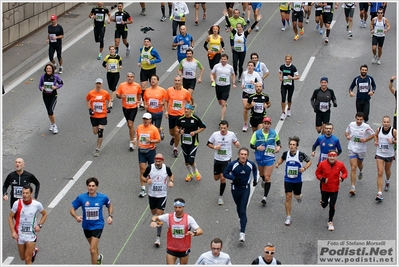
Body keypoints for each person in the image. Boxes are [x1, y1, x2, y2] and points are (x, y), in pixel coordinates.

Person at [70, 177, 113, 265]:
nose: (91, 188)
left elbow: (110, 205)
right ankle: (99, 257)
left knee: (92, 250)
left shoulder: (103, 197)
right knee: (93, 247)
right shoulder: (82, 197)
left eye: (93, 186)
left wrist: (110, 216)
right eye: (89, 186)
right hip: (86, 226)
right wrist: (76, 217)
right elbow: (72, 209)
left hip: (98, 225)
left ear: (96, 187)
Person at [150, 198, 203, 265]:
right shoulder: (169, 216)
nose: (177, 209)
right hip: (171, 248)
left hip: (183, 249)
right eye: (175, 207)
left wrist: (194, 233)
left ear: (183, 207)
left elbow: (200, 230)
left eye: (179, 207)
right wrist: (153, 221)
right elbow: (155, 217)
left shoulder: (189, 218)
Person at [275, 136, 312, 226]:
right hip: (288, 179)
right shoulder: (285, 154)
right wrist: (277, 163)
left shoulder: (300, 155)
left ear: (297, 146)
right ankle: (288, 216)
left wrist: (304, 168)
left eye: (294, 145)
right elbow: (282, 159)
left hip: (298, 180)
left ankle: (299, 197)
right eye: (290, 144)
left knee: (297, 195)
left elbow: (310, 161)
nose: (292, 146)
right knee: (288, 197)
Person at [223, 147, 258, 242]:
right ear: (238, 155)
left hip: (245, 189)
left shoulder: (250, 164)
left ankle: (242, 233)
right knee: (238, 207)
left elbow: (255, 169)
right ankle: (241, 220)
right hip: (235, 189)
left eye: (245, 154)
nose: (243, 156)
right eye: (242, 154)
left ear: (247, 156)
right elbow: (225, 173)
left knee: (243, 210)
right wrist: (233, 178)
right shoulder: (233, 164)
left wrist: (255, 179)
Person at [8, 185, 47, 264]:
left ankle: (31, 253)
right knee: (22, 257)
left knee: (27, 258)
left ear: (31, 194)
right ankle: (34, 252)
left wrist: (40, 225)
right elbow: (10, 217)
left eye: (27, 193)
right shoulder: (17, 203)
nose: (25, 195)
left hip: (31, 234)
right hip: (20, 234)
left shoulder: (36, 204)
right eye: (23, 193)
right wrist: (13, 231)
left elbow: (45, 214)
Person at [142, 153, 174, 247]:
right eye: (156, 161)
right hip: (152, 194)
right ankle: (156, 222)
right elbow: (143, 176)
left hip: (162, 195)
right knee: (154, 213)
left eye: (159, 161)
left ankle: (158, 237)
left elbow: (171, 175)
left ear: (162, 161)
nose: (158, 163)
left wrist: (171, 181)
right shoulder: (150, 168)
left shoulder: (166, 168)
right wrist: (146, 181)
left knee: (159, 215)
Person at [207, 120, 240, 205]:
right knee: (216, 178)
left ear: (227, 128)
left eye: (224, 128)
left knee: (222, 177)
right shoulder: (215, 134)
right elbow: (208, 143)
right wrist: (214, 147)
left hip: (226, 160)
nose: (223, 130)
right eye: (221, 128)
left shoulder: (231, 134)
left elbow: (235, 141)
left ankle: (220, 197)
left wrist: (237, 144)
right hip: (217, 159)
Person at [250, 117, 281, 206]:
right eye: (265, 124)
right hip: (259, 158)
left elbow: (278, 142)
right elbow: (251, 145)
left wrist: (279, 147)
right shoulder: (257, 134)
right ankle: (263, 179)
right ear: (262, 125)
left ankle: (264, 197)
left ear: (270, 125)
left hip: (269, 158)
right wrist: (257, 148)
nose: (266, 125)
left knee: (267, 177)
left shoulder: (274, 133)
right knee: (262, 175)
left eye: (268, 124)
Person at [224, 10, 261, 82]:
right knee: (234, 64)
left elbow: (252, 27)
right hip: (235, 51)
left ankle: (240, 75)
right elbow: (229, 24)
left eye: (240, 27)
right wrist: (226, 16)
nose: (238, 28)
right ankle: (235, 73)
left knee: (240, 65)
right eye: (237, 27)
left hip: (242, 52)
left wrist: (257, 21)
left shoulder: (245, 34)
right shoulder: (234, 32)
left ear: (242, 28)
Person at [315, 151, 348, 231]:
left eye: (334, 156)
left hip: (334, 188)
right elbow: (317, 173)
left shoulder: (340, 164)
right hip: (325, 188)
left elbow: (345, 172)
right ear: (328, 157)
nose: (332, 158)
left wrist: (342, 178)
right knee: (324, 204)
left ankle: (330, 221)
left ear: (336, 157)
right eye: (330, 156)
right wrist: (322, 179)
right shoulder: (322, 164)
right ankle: (323, 201)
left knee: (332, 205)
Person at [345, 112, 375, 196]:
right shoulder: (351, 124)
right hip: (352, 148)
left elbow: (373, 134)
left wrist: (366, 139)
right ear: (355, 118)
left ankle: (361, 170)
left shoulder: (366, 126)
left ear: (363, 119)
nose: (359, 121)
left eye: (360, 120)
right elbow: (346, 132)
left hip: (361, 149)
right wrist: (347, 136)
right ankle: (353, 187)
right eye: (357, 119)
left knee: (359, 164)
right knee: (353, 167)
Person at [134, 113, 161, 198]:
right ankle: (143, 189)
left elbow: (158, 140)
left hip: (151, 151)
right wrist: (135, 140)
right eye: (144, 119)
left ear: (150, 120)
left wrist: (151, 141)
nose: (145, 120)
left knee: (151, 169)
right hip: (141, 150)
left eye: (147, 119)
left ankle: (153, 185)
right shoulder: (139, 127)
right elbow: (137, 136)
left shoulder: (154, 129)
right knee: (142, 169)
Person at [176, 104, 206, 182]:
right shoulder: (181, 119)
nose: (186, 110)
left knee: (191, 160)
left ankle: (196, 172)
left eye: (188, 109)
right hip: (184, 143)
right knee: (186, 161)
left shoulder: (195, 119)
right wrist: (180, 131)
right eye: (185, 109)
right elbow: (176, 127)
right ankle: (190, 174)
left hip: (193, 143)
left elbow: (203, 127)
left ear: (191, 110)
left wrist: (195, 132)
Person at [165, 76, 193, 158]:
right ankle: (173, 137)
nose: (177, 82)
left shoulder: (185, 92)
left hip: (181, 115)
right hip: (171, 114)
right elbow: (166, 101)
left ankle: (175, 148)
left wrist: (188, 110)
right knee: (172, 132)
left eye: (178, 81)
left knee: (177, 132)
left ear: (181, 82)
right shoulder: (169, 90)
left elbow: (189, 101)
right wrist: (166, 111)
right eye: (175, 80)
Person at [116, 72, 142, 151]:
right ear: (126, 77)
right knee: (129, 124)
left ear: (134, 78)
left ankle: (131, 142)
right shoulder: (122, 85)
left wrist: (139, 100)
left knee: (130, 124)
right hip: (125, 107)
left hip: (133, 107)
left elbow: (139, 93)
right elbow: (117, 94)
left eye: (131, 77)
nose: (130, 78)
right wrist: (121, 96)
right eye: (128, 76)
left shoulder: (137, 85)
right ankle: (133, 132)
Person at [86, 78, 111, 157]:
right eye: (97, 83)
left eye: (100, 84)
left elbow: (109, 100)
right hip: (94, 115)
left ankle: (97, 148)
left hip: (102, 115)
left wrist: (109, 107)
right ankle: (100, 127)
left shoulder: (105, 93)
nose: (98, 85)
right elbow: (87, 100)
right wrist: (89, 109)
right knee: (95, 132)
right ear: (95, 84)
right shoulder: (91, 93)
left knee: (100, 132)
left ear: (102, 85)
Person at [374, 116, 396, 201]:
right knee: (380, 172)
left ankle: (387, 181)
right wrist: (376, 141)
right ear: (382, 122)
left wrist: (393, 141)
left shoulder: (393, 131)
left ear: (390, 123)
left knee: (387, 170)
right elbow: (375, 135)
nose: (386, 124)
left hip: (389, 154)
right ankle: (379, 193)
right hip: (379, 153)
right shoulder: (379, 129)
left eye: (387, 122)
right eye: (384, 122)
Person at [38, 63, 64, 134]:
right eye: (47, 69)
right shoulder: (43, 77)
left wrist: (56, 87)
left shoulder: (55, 77)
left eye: (49, 68)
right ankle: (52, 124)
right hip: (45, 96)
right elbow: (39, 85)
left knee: (50, 111)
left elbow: (61, 83)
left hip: (53, 96)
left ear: (52, 69)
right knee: (48, 112)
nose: (48, 70)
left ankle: (54, 125)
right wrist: (41, 88)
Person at [138, 37, 162, 109]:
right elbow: (141, 56)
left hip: (151, 70)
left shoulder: (153, 50)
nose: (146, 43)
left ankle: (153, 97)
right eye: (145, 41)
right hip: (143, 70)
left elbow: (159, 59)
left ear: (150, 43)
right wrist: (139, 62)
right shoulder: (141, 49)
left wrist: (151, 62)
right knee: (143, 85)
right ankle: (143, 101)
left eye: (147, 42)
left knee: (152, 85)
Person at [210, 54, 236, 121]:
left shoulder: (230, 67)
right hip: (218, 86)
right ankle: (224, 104)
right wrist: (212, 78)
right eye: (222, 59)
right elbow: (211, 73)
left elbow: (233, 74)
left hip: (226, 86)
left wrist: (233, 83)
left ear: (227, 60)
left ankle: (222, 119)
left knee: (223, 103)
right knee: (220, 102)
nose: (223, 60)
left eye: (225, 59)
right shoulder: (217, 66)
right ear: (220, 59)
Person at [240, 61, 262, 132]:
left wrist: (255, 83)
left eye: (251, 65)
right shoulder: (244, 73)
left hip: (253, 94)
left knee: (253, 109)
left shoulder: (256, 74)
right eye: (249, 65)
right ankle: (245, 124)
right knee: (246, 109)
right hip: (246, 93)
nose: (250, 67)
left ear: (254, 67)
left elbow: (260, 83)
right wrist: (243, 84)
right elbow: (243, 79)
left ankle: (252, 121)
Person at [143, 75, 167, 140]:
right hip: (149, 112)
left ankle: (160, 130)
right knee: (149, 127)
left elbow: (166, 100)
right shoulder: (147, 90)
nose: (153, 80)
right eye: (151, 79)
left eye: (154, 79)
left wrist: (164, 107)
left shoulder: (162, 90)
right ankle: (152, 141)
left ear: (157, 81)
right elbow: (145, 99)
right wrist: (145, 105)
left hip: (158, 113)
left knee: (156, 129)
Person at [278, 54, 300, 120]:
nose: (287, 60)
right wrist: (280, 77)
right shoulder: (282, 66)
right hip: (284, 85)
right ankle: (283, 112)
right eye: (286, 59)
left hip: (290, 85)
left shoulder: (293, 67)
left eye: (289, 59)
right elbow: (279, 72)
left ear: (291, 60)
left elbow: (298, 76)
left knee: (289, 99)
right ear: (285, 60)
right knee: (283, 98)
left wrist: (292, 78)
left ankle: (289, 109)